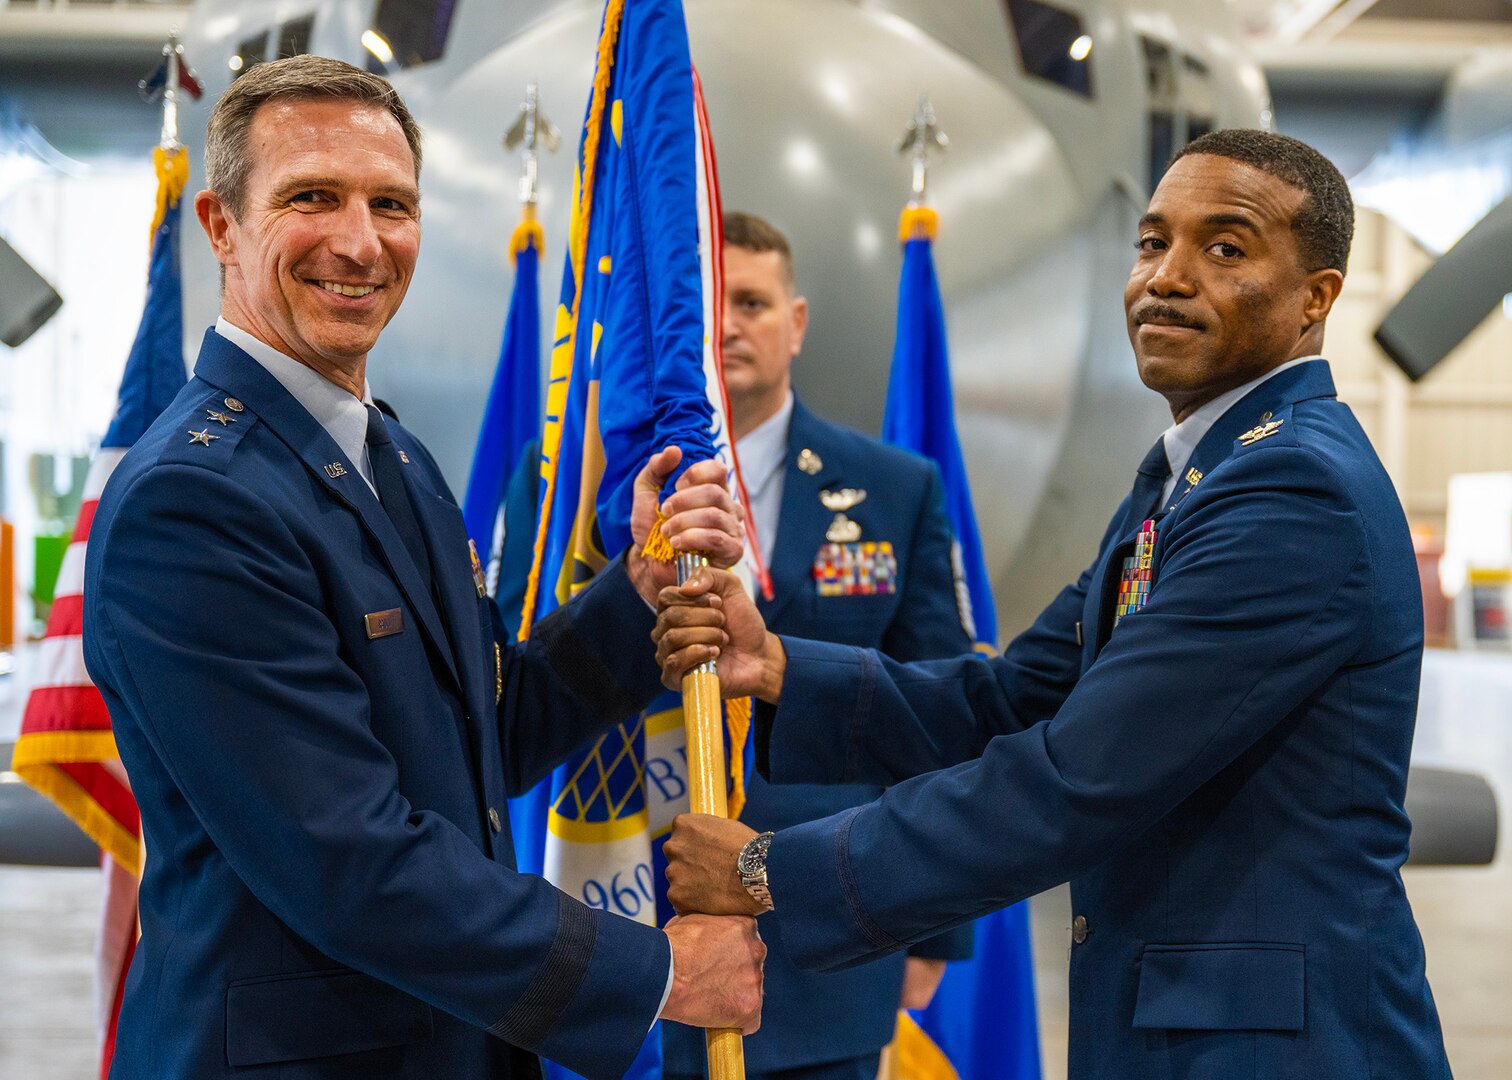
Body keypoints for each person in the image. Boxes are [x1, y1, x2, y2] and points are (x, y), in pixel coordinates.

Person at [655, 130, 1453, 1079]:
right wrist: (780, 669)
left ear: (1316, 298)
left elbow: (1077, 775)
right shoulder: (1191, 478)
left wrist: (766, 872)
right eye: (1153, 243)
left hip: (1275, 1050)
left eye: (1225, 248)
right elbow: (1011, 699)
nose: (1167, 277)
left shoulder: (1289, 493)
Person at [81, 56, 761, 1080]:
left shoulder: (392, 459)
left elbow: (481, 737)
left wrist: (638, 596)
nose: (360, 242)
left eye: (391, 204)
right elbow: (347, 859)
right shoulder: (195, 502)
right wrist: (654, 972)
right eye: (312, 197)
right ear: (221, 225)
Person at [657, 212, 974, 1080]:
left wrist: (935, 924)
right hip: (632, 918)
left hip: (828, 933)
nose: (726, 325)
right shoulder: (595, 488)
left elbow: (941, 705)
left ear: (794, 323)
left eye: (752, 302)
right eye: (709, 303)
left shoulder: (894, 489)